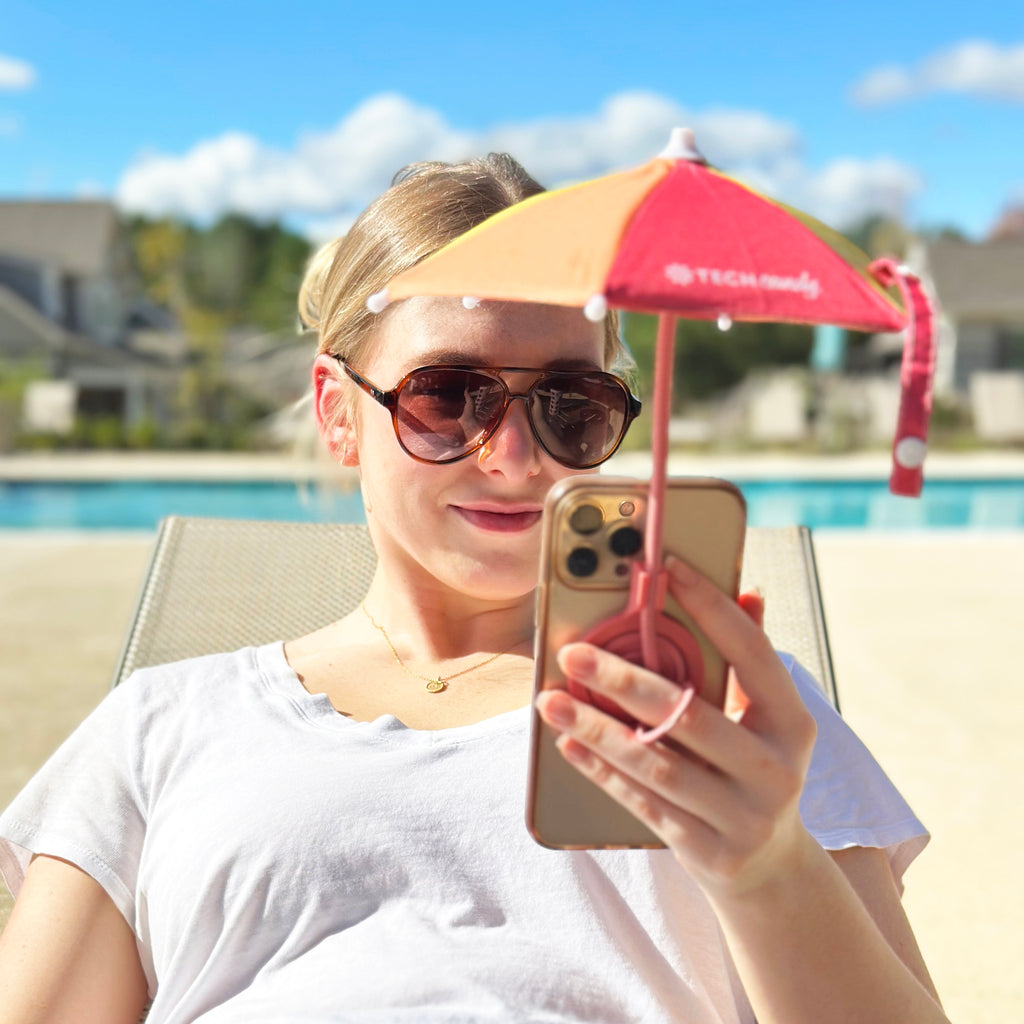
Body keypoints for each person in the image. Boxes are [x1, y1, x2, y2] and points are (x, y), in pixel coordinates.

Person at [0, 153, 949, 1024]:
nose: (515, 459)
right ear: (340, 414)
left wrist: (770, 868)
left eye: (571, 406)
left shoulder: (732, 720)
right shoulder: (163, 725)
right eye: (448, 395)